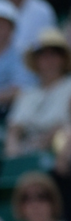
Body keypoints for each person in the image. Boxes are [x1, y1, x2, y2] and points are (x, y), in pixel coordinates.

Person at [4, 28, 71, 156]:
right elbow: (14, 130)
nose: (48, 60)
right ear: (36, 60)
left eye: (54, 54)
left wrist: (46, 139)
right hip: (28, 146)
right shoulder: (27, 93)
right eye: (43, 55)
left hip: (60, 150)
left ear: (63, 59)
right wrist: (13, 155)